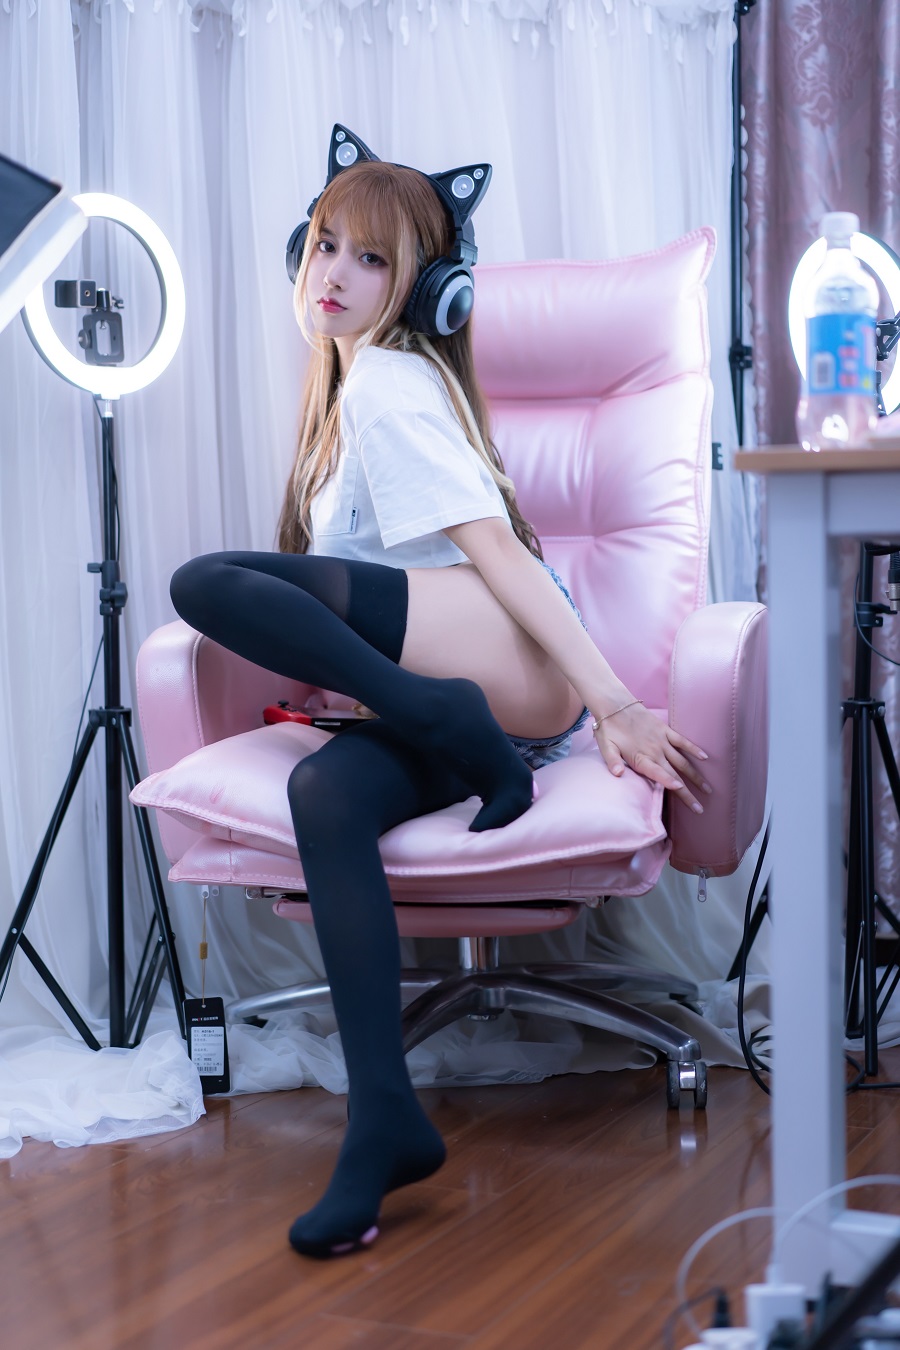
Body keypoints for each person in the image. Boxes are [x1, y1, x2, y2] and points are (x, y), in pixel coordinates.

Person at [170, 130, 710, 1259]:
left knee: (206, 582)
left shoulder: (389, 383)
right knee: (326, 797)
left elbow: (500, 555)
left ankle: (441, 719)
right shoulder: (344, 393)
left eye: (371, 259)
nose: (334, 273)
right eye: (326, 244)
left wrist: (613, 702)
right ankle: (385, 1121)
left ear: (425, 289)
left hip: (510, 671)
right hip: (467, 698)